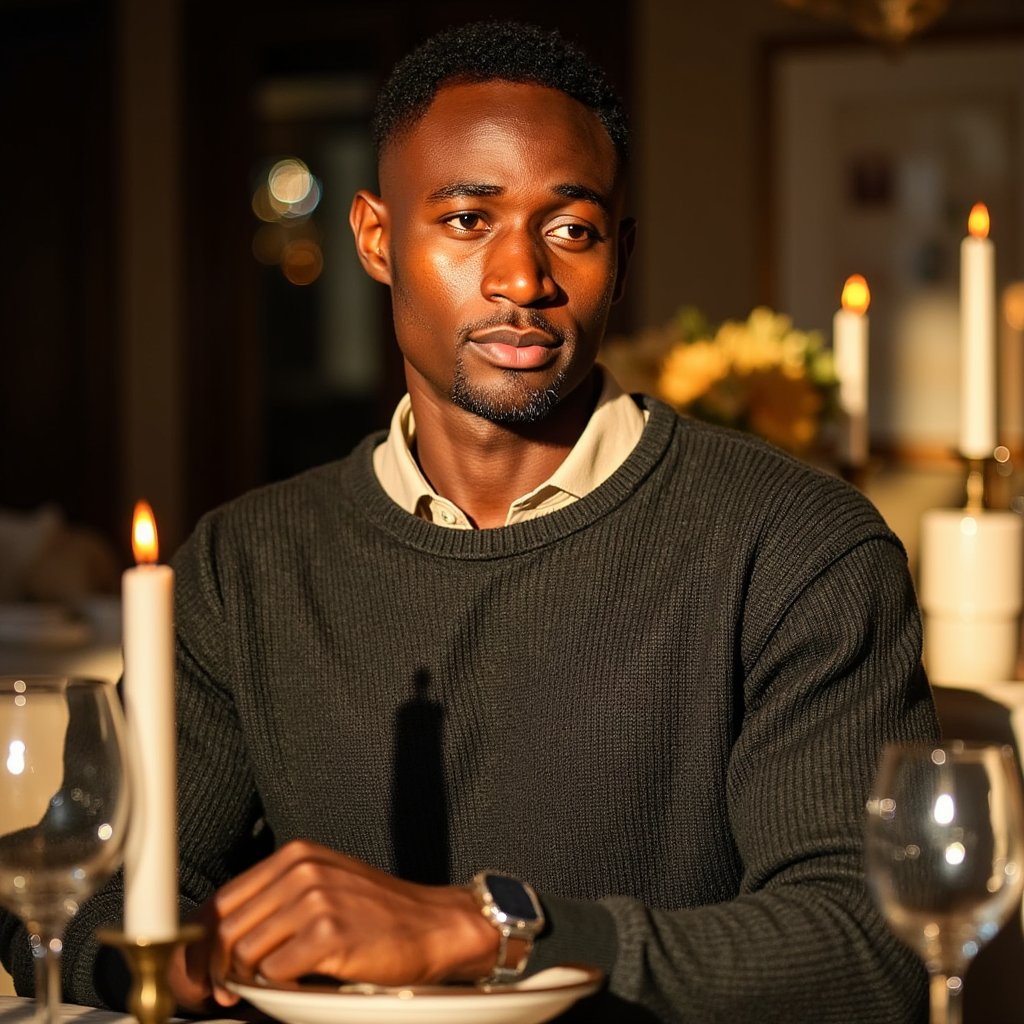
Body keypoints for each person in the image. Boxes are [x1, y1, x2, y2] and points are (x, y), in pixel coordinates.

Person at [0, 19, 937, 1023]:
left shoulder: (797, 548)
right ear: (374, 237)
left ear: (618, 260)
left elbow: (867, 945)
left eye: (570, 229)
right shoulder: (246, 564)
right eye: (463, 222)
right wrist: (203, 957)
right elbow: (79, 890)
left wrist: (496, 929)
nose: (521, 279)